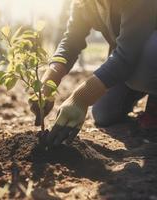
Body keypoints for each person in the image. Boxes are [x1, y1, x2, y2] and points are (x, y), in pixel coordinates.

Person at [30, 0, 157, 146]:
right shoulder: (83, 3)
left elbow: (127, 54)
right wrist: (50, 78)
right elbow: (71, 41)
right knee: (104, 113)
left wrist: (81, 98)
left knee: (150, 53)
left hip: (146, 56)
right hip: (130, 58)